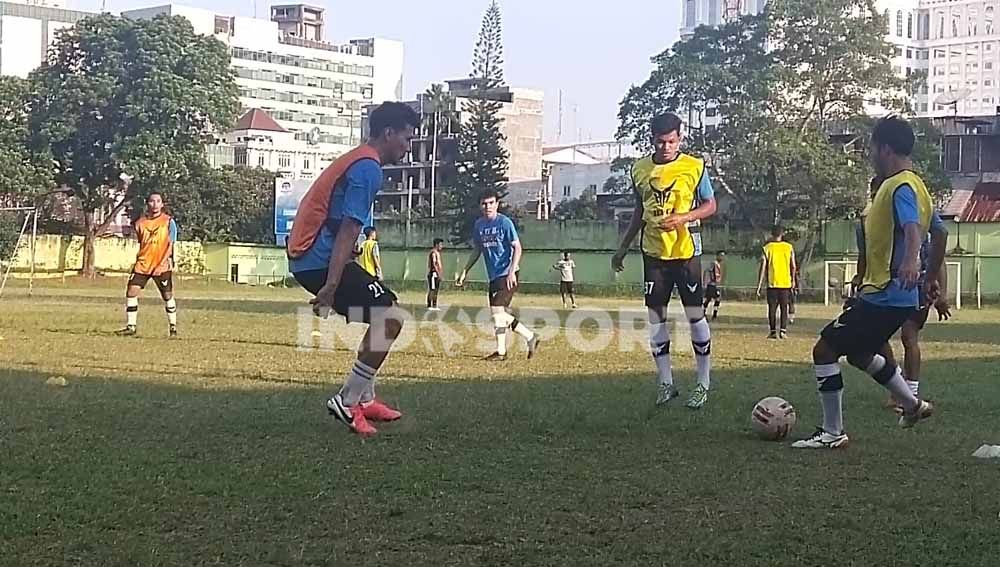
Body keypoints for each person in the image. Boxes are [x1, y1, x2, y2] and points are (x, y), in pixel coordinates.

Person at [793, 115, 936, 450]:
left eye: (872, 147)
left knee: (824, 349)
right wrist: (929, 275)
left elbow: (913, 228)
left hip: (886, 293)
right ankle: (913, 405)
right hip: (896, 295)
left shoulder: (898, 185)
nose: (870, 154)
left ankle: (832, 432)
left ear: (885, 148)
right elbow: (938, 233)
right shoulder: (920, 187)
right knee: (859, 353)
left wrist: (912, 260)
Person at [286, 101, 419, 437]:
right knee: (391, 318)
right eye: (406, 137)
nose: (408, 145)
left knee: (386, 309)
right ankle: (348, 401)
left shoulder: (359, 160)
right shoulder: (368, 169)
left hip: (311, 257)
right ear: (388, 133)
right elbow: (348, 228)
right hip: (317, 261)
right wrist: (330, 285)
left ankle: (365, 397)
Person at [611, 112, 718, 409]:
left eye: (671, 141)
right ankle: (666, 383)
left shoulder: (695, 166)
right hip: (654, 254)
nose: (666, 147)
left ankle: (703, 382)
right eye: (660, 142)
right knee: (656, 318)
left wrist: (684, 217)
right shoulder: (639, 170)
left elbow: (710, 205)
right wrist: (622, 248)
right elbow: (638, 212)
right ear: (652, 140)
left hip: (686, 253)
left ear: (680, 139)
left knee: (694, 316)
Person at [852, 180, 951, 409]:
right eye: (876, 194)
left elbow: (939, 255)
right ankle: (899, 386)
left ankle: (911, 394)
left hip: (916, 287)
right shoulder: (866, 224)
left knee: (909, 335)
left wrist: (941, 294)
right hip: (882, 287)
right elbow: (865, 257)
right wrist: (860, 280)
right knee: (877, 339)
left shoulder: (915, 221)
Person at [456, 190, 541, 361]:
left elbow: (517, 247)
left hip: (507, 274)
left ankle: (530, 336)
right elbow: (477, 249)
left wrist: (512, 271)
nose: (487, 206)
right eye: (484, 203)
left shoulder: (505, 223)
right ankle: (502, 352)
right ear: (480, 206)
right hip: (493, 276)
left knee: (497, 312)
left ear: (497, 204)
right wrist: (465, 271)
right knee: (499, 316)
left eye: (491, 203)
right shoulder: (479, 225)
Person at [116, 192, 179, 338]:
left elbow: (170, 245)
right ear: (148, 203)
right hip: (143, 264)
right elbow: (141, 242)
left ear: (162, 204)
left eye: (158, 201)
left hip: (161, 265)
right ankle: (131, 327)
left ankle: (173, 327)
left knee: (167, 295)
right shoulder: (140, 223)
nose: (155, 204)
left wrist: (163, 262)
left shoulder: (168, 222)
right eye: (152, 201)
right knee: (131, 291)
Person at [756, 226, 796, 339]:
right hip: (785, 283)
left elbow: (763, 266)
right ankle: (783, 331)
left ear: (771, 234)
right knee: (784, 308)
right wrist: (793, 280)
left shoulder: (767, 248)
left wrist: (759, 285)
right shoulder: (789, 247)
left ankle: (773, 331)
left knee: (772, 308)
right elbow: (793, 265)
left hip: (772, 283)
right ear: (782, 234)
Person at [702, 250, 725, 320]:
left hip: (715, 285)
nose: (722, 257)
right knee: (715, 299)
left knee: (711, 299)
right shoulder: (714, 264)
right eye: (721, 256)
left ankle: (707, 313)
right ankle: (710, 314)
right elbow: (707, 271)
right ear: (717, 256)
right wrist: (706, 282)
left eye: (723, 256)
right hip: (712, 285)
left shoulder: (718, 264)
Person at [427, 238, 444, 310]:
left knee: (436, 289)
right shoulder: (433, 253)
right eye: (440, 244)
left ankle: (434, 304)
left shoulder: (437, 253)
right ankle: (430, 305)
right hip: (433, 274)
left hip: (437, 274)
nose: (441, 246)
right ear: (436, 245)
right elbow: (434, 263)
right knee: (432, 289)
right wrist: (437, 273)